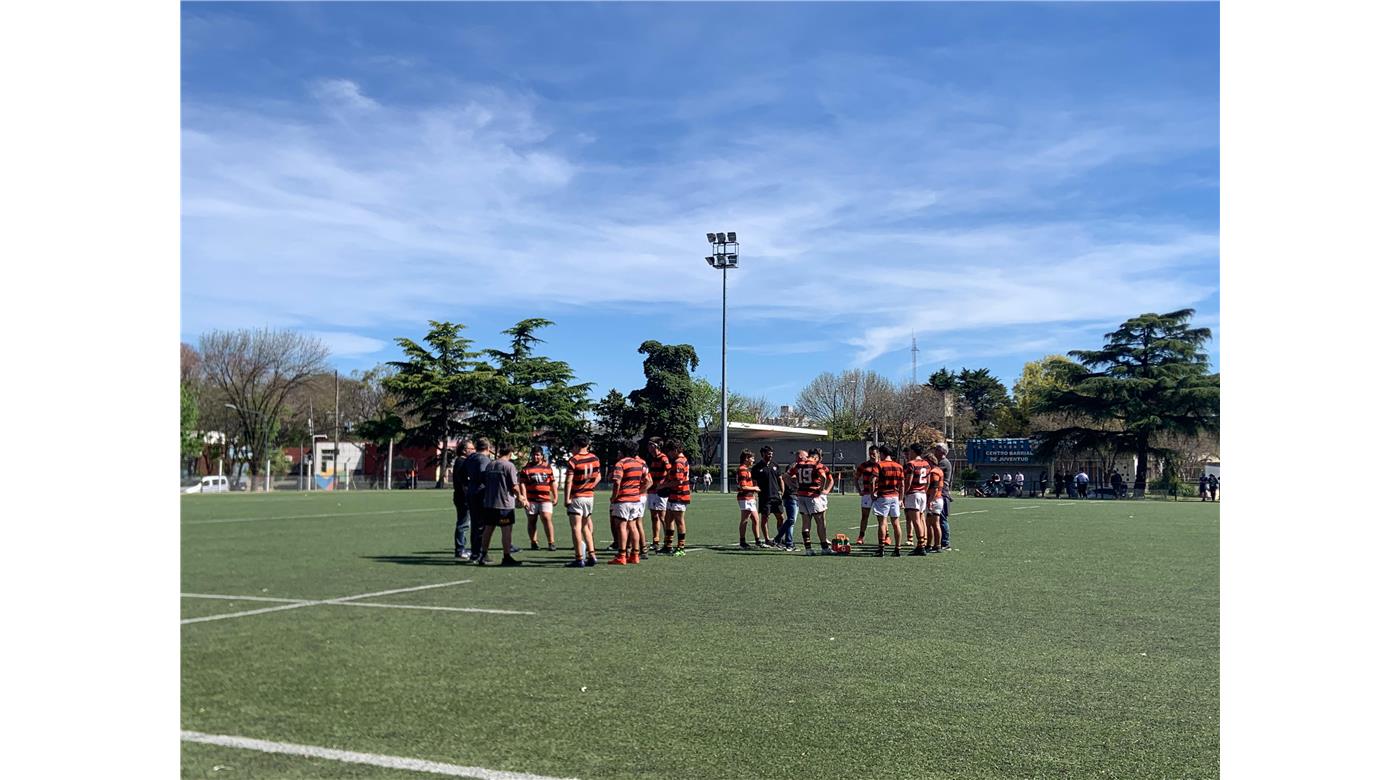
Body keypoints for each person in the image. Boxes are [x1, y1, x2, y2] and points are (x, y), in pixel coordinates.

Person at [477, 442, 526, 567]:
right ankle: (506, 556)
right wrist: (520, 496)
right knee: (506, 530)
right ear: (510, 453)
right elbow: (514, 486)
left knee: (488, 529)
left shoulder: (490, 465)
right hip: (504, 504)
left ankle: (483, 554)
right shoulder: (509, 466)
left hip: (489, 503)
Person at [607, 442, 651, 565]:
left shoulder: (621, 464)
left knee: (621, 526)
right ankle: (635, 555)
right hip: (635, 500)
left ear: (624, 451)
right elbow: (647, 481)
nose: (618, 453)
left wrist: (614, 497)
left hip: (623, 500)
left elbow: (617, 482)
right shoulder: (639, 463)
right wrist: (638, 491)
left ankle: (621, 555)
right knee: (633, 526)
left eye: (620, 451)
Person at [562, 435, 602, 568]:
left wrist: (566, 498)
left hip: (577, 496)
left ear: (577, 445)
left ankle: (579, 558)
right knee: (586, 527)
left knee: (576, 528)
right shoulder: (595, 458)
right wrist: (590, 486)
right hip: (589, 497)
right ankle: (592, 555)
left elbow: (569, 481)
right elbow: (598, 476)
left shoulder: (574, 460)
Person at [788, 448, 834, 555]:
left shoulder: (799, 465)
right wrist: (821, 489)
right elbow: (823, 477)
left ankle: (808, 549)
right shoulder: (817, 465)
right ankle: (824, 547)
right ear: (817, 457)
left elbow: (786, 476)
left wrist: (794, 487)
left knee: (806, 523)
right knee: (820, 522)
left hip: (801, 496)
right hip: (813, 497)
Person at [462, 437, 495, 562]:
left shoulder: (470, 458)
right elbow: (484, 475)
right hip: (481, 492)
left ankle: (475, 552)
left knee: (476, 523)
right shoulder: (484, 459)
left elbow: (462, 473)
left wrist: (466, 485)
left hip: (471, 491)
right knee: (483, 524)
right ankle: (481, 553)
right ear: (488, 448)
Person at [872, 445, 906, 557]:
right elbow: (902, 485)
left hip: (883, 496)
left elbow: (873, 479)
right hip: (895, 497)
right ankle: (897, 548)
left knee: (882, 522)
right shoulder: (899, 466)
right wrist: (901, 499)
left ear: (881, 453)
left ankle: (881, 549)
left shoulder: (879, 465)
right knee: (896, 523)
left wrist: (873, 492)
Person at [521, 446, 557, 551]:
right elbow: (522, 484)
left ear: (542, 456)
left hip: (545, 498)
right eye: (534, 454)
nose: (535, 457)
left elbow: (552, 482)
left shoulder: (547, 468)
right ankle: (534, 542)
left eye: (537, 454)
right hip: (531, 499)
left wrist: (555, 496)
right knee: (532, 520)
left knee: (546, 518)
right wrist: (524, 499)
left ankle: (551, 542)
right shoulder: (526, 468)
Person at [660, 440, 692, 556]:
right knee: (668, 519)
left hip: (679, 494)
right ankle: (668, 545)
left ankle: (680, 547)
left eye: (670, 451)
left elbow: (679, 481)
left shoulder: (679, 462)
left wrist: (663, 486)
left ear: (675, 450)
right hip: (674, 494)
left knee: (679, 521)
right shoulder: (681, 460)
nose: (669, 454)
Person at [752, 446, 786, 550]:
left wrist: (782, 491)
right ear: (762, 454)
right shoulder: (757, 467)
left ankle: (779, 537)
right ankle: (767, 539)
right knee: (765, 518)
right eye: (768, 453)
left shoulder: (775, 465)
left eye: (771, 453)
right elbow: (754, 482)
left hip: (776, 496)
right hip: (765, 497)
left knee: (781, 517)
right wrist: (754, 493)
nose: (770, 455)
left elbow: (780, 479)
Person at [903, 444, 932, 556]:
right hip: (923, 493)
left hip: (913, 494)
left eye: (910, 451)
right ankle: (923, 542)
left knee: (915, 520)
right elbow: (928, 481)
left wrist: (904, 494)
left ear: (914, 452)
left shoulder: (911, 464)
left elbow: (908, 481)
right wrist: (924, 490)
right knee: (921, 518)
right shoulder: (926, 464)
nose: (909, 453)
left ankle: (920, 546)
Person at [644, 438, 670, 552]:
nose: (649, 447)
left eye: (651, 445)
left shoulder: (663, 458)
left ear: (657, 446)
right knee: (654, 517)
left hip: (659, 492)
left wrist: (663, 483)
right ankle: (656, 541)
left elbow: (670, 471)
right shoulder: (652, 458)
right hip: (652, 491)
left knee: (662, 517)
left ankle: (667, 541)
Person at [450, 441, 475, 560]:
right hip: (463, 498)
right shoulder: (461, 462)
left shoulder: (462, 462)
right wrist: (468, 496)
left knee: (465, 523)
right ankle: (460, 549)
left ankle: (462, 548)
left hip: (462, 496)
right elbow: (462, 483)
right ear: (464, 450)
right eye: (471, 448)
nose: (474, 450)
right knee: (463, 523)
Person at [854, 445, 880, 545]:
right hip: (867, 494)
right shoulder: (864, 465)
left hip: (879, 494)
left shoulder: (881, 465)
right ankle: (861, 536)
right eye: (870, 454)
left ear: (878, 453)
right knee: (865, 516)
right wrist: (859, 490)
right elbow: (856, 478)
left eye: (873, 454)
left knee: (881, 517)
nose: (871, 456)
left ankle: (886, 536)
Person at [735, 450, 762, 548]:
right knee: (745, 519)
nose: (753, 460)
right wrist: (754, 488)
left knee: (755, 519)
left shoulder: (746, 469)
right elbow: (743, 487)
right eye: (752, 458)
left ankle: (758, 541)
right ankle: (742, 541)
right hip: (745, 497)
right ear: (746, 458)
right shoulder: (742, 469)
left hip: (750, 497)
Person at [925, 452, 946, 553]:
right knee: (929, 523)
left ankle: (937, 545)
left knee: (935, 524)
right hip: (936, 499)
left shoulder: (934, 472)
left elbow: (934, 488)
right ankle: (930, 544)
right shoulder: (938, 470)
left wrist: (930, 500)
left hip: (935, 499)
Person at [933, 442, 953, 551]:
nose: (934, 451)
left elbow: (933, 472)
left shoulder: (943, 463)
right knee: (938, 518)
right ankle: (940, 541)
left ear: (942, 452)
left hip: (943, 493)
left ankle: (945, 542)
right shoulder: (941, 462)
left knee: (942, 519)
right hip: (941, 493)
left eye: (936, 449)